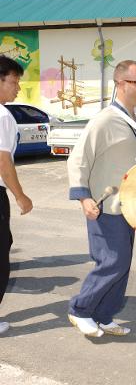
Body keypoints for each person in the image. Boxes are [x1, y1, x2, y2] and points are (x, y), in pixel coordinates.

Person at [67, 60, 136, 337]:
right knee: (112, 261)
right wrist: (83, 197)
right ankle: (80, 310)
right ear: (121, 84)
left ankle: (103, 315)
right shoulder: (105, 119)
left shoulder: (132, 118)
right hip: (105, 206)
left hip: (128, 207)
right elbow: (78, 159)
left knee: (122, 264)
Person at [0, 55, 33, 335]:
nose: (17, 88)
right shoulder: (1, 116)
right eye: (13, 82)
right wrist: (20, 195)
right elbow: (2, 160)